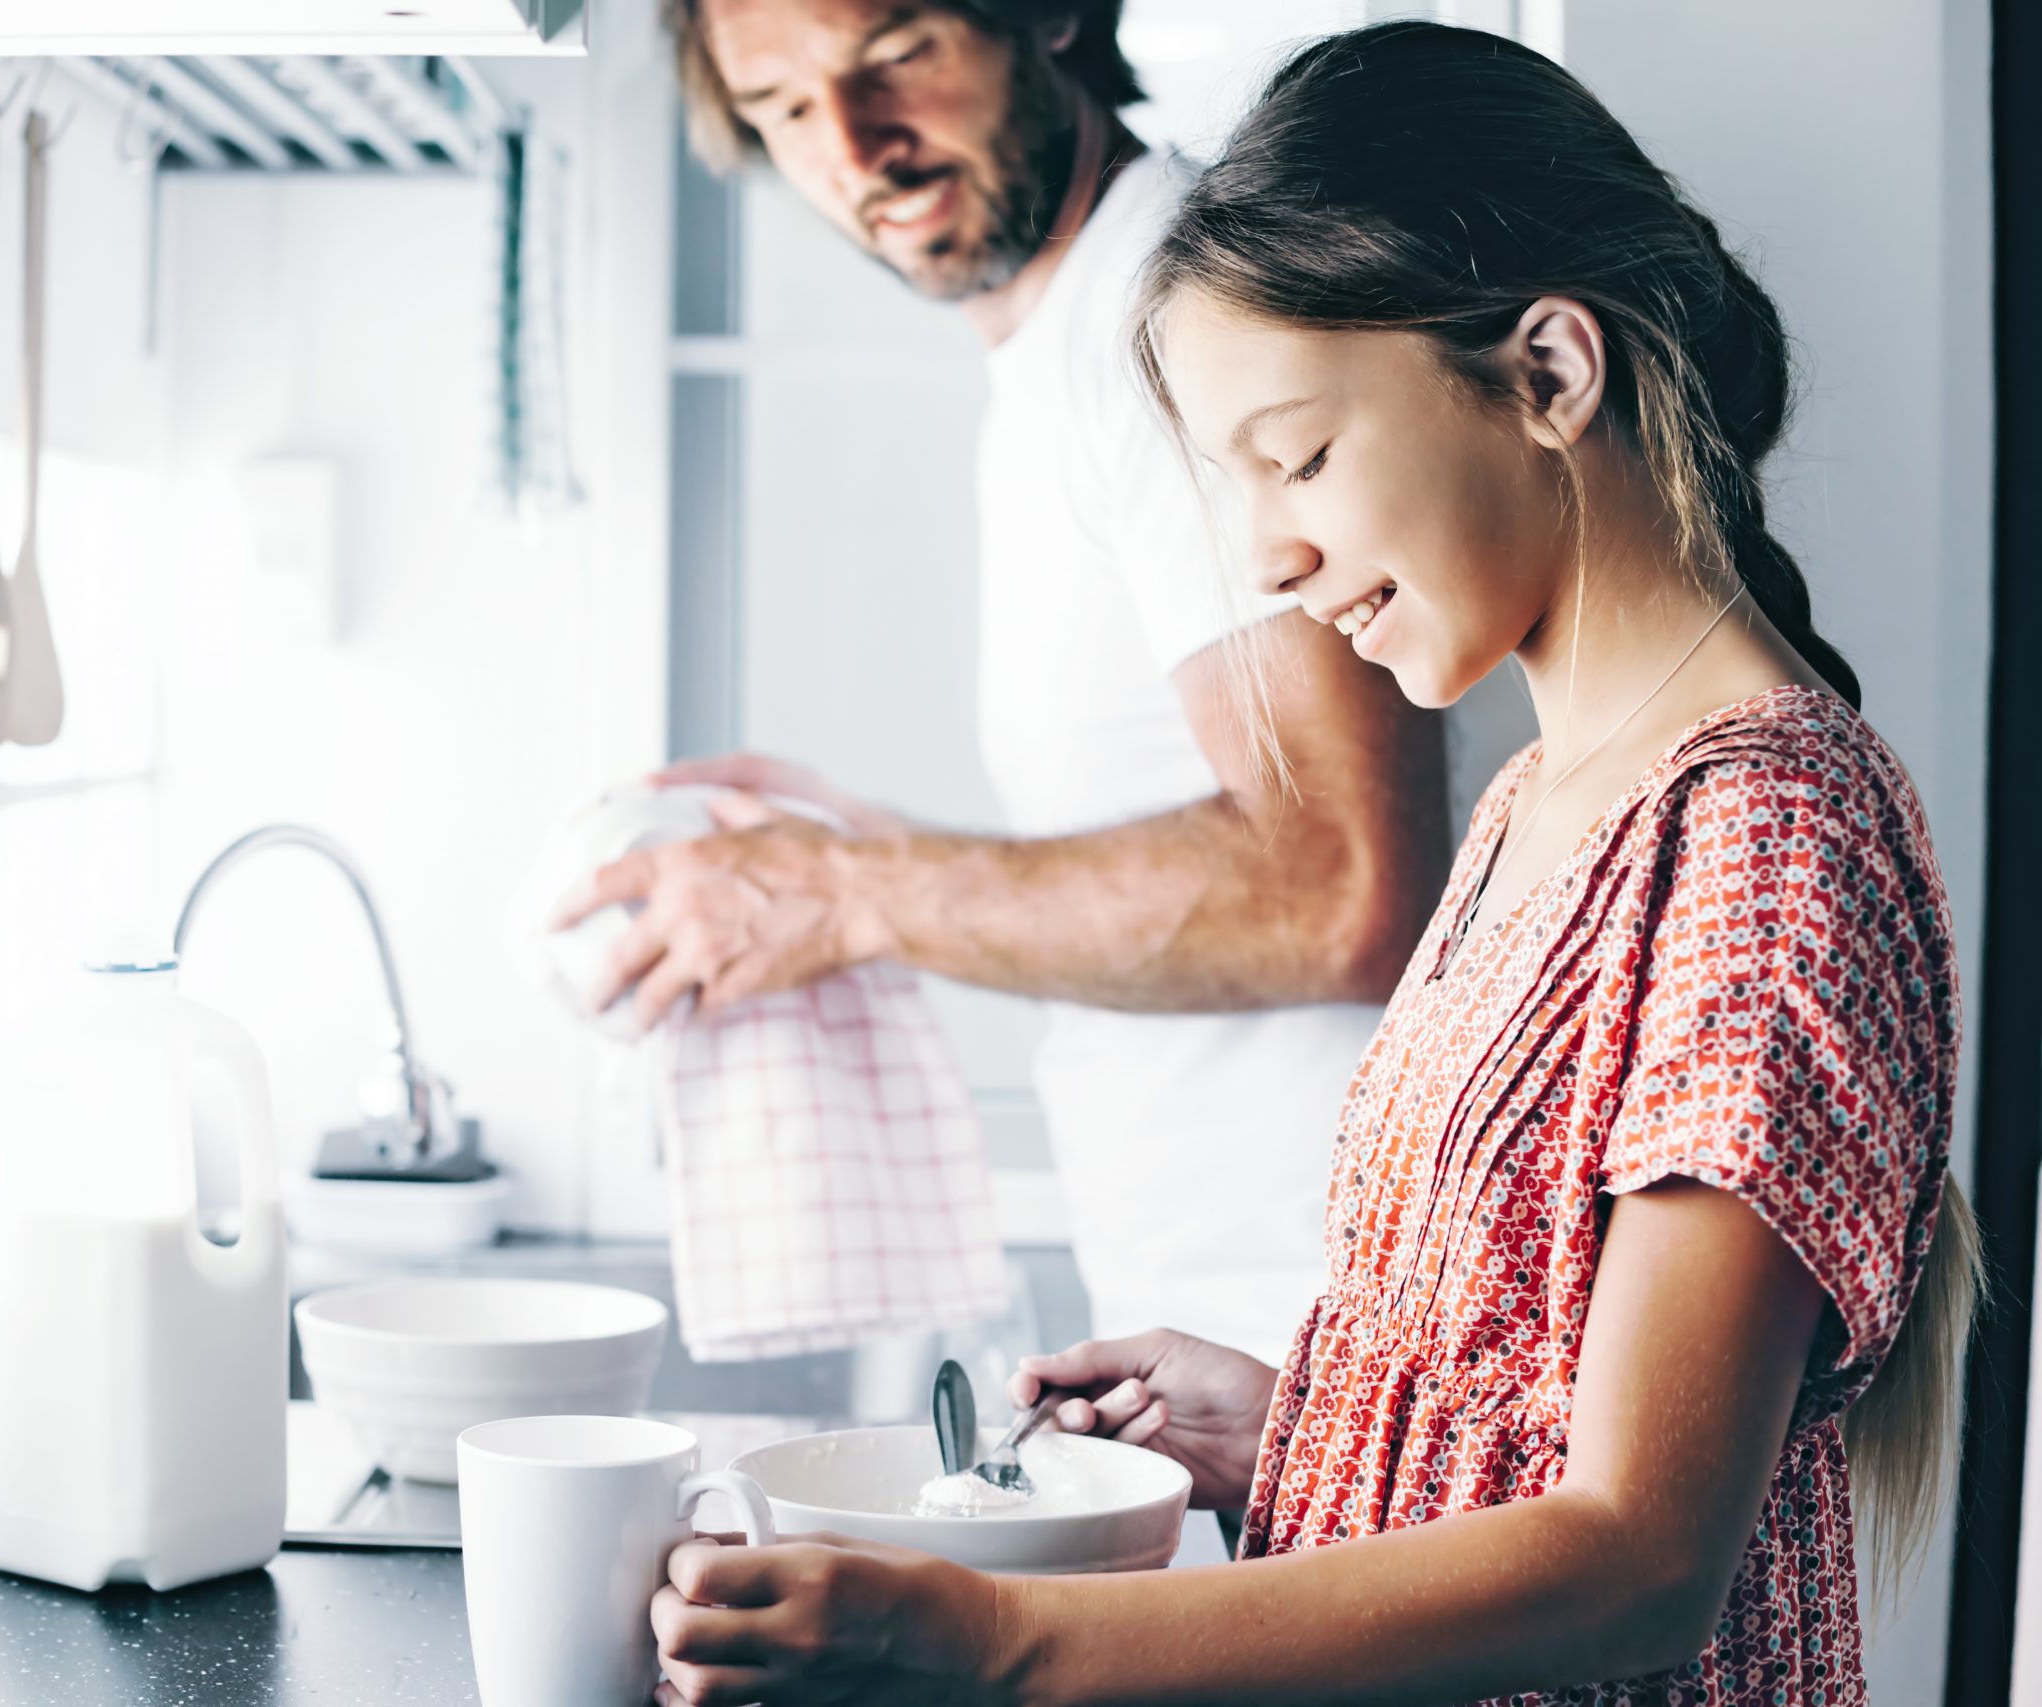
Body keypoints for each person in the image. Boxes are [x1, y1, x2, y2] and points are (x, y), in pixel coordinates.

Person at [645, 23, 1984, 1705]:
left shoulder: (1769, 837)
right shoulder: (1541, 812)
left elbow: (1641, 1558)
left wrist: (991, 1639)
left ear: (1550, 376)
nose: (1270, 555)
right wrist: (1301, 1425)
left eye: (1298, 459)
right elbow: (1545, 1433)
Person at [563, 0, 1453, 1378]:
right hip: (1254, 1356)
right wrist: (869, 858)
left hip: (1357, 1339)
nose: (857, 149)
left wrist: (848, 893)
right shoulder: (1069, 341)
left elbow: (1340, 887)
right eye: (784, 109)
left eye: (895, 55)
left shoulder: (1176, 315)